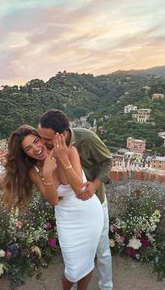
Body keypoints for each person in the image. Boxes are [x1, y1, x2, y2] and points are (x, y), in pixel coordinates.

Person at [3, 125, 104, 290]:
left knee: (87, 263)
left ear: (42, 138)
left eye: (36, 141)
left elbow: (80, 188)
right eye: (28, 148)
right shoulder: (33, 170)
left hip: (89, 214)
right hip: (67, 219)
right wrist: (48, 174)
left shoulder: (68, 151)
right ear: (25, 153)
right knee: (72, 270)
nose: (36, 149)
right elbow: (54, 201)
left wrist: (63, 160)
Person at [38, 109, 113, 290]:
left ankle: (107, 286)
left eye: (47, 139)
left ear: (62, 134)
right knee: (75, 259)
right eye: (40, 136)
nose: (42, 142)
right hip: (71, 210)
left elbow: (108, 161)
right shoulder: (46, 154)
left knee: (102, 250)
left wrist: (94, 184)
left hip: (94, 199)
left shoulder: (86, 138)